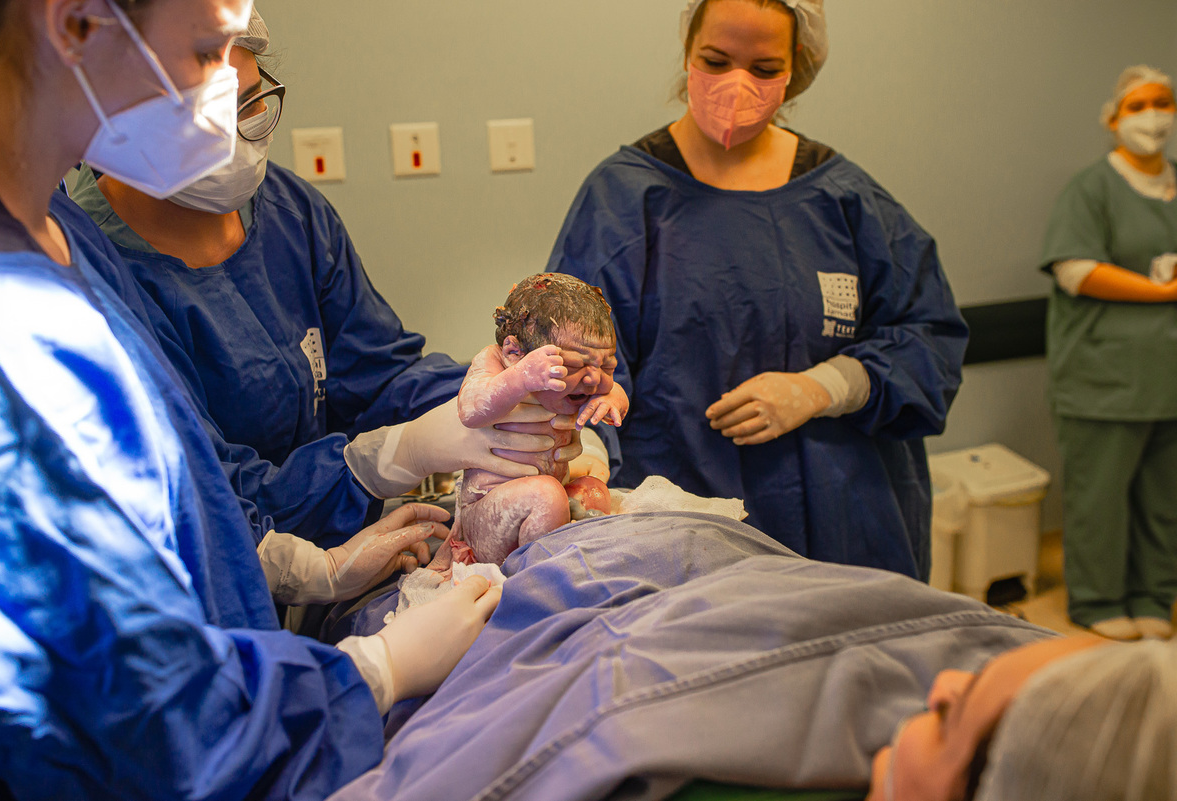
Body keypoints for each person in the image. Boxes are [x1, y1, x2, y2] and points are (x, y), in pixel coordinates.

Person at [0, 0, 505, 796]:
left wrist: (470, 400)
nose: (225, 100)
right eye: (202, 54)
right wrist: (371, 670)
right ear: (77, 24)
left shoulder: (56, 235)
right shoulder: (11, 334)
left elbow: (195, 497)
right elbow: (152, 725)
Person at [64, 8, 589, 612]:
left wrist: (516, 403)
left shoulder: (288, 211)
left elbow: (379, 373)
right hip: (206, 600)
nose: (237, 139)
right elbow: (203, 492)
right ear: (118, 121)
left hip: (354, 550)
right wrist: (388, 461)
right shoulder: (85, 270)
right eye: (208, 119)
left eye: (252, 104)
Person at [321, 512, 1177, 801]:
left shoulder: (637, 701)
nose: (942, 683)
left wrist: (376, 671)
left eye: (951, 717)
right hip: (683, 556)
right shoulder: (1070, 687)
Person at [547, 0, 967, 580]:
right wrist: (584, 473)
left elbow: (927, 335)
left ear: (797, 66)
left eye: (765, 68)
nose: (737, 84)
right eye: (716, 60)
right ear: (688, 52)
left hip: (844, 526)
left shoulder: (843, 201)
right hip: (683, 533)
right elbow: (576, 369)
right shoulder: (624, 200)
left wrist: (827, 386)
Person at [1040, 64, 1177, 641]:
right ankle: (1098, 601)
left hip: (1166, 379)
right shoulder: (1092, 188)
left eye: (1163, 102)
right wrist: (1163, 292)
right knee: (1100, 499)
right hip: (1104, 377)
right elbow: (1075, 270)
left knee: (1162, 498)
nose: (1153, 115)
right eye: (1138, 105)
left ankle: (1153, 597)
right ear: (1114, 119)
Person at [451, 272, 628, 564]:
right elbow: (469, 409)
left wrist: (613, 398)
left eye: (607, 366)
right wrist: (520, 379)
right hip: (490, 515)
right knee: (546, 495)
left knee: (593, 491)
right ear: (515, 352)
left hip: (547, 501)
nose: (593, 379)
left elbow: (614, 390)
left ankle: (564, 552)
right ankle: (537, 578)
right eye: (574, 364)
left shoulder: (586, 380)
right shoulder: (496, 362)